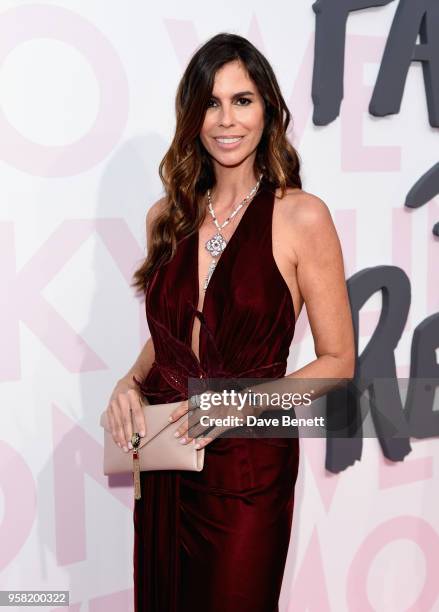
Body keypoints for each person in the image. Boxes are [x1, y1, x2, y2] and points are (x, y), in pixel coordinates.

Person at [105, 32, 355, 612]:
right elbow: (174, 334)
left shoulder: (301, 216)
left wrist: (235, 406)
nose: (226, 119)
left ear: (267, 110)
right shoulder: (167, 217)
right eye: (211, 103)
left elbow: (339, 362)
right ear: (193, 116)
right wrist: (128, 382)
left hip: (247, 466)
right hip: (170, 457)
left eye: (242, 100)